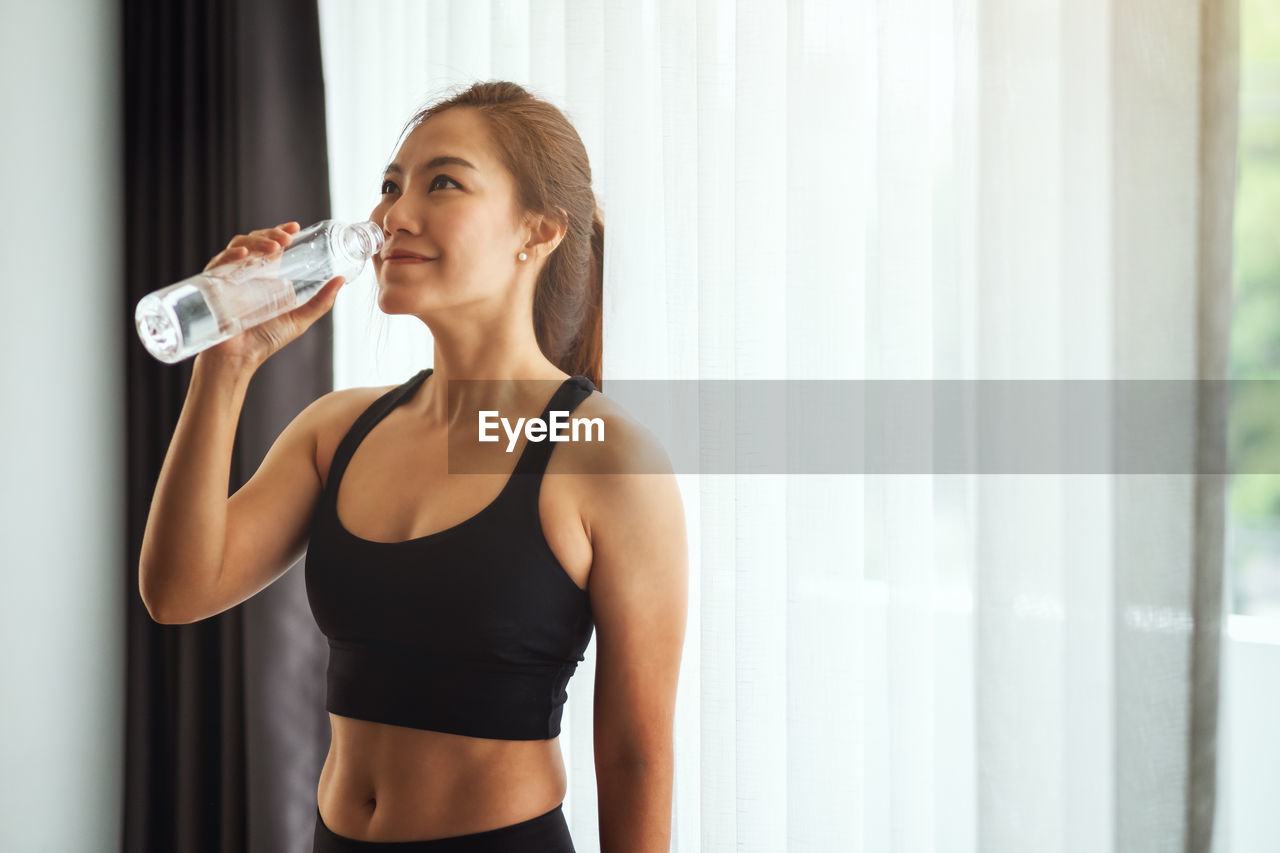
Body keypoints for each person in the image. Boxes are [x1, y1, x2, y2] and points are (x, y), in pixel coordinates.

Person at [138, 81, 688, 852]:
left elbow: (634, 757)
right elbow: (178, 588)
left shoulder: (607, 458)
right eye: (390, 186)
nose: (394, 215)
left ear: (539, 230)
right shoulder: (339, 430)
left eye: (443, 183)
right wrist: (225, 367)